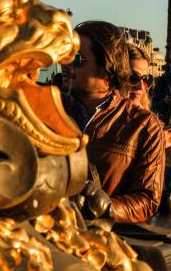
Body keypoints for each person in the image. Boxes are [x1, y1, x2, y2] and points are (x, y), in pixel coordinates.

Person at [64, 21, 165, 223]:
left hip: (103, 241)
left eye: (78, 59)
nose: (66, 64)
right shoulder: (48, 108)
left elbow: (148, 200)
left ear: (106, 67)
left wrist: (107, 206)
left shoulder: (144, 125)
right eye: (65, 55)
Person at [127, 44, 171, 145]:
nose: (142, 87)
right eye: (133, 78)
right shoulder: (106, 118)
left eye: (147, 79)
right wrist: (157, 140)